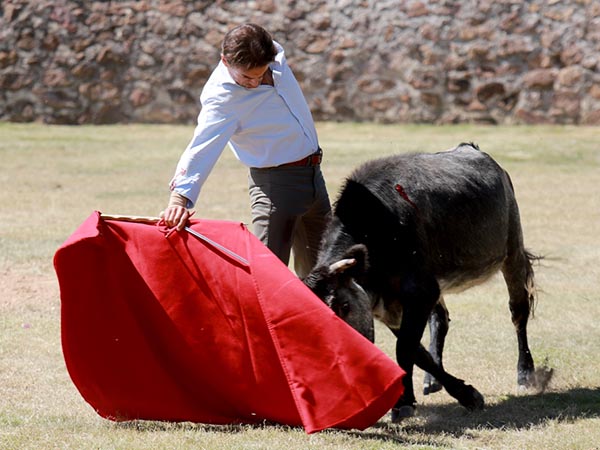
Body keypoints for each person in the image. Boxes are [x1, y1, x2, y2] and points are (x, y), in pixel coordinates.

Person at [161, 23, 331, 277]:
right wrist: (179, 199)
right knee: (267, 278)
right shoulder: (222, 99)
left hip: (315, 178)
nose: (256, 82)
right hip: (276, 189)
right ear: (225, 61)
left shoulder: (275, 54)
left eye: (261, 74)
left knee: (326, 275)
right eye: (247, 78)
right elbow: (202, 146)